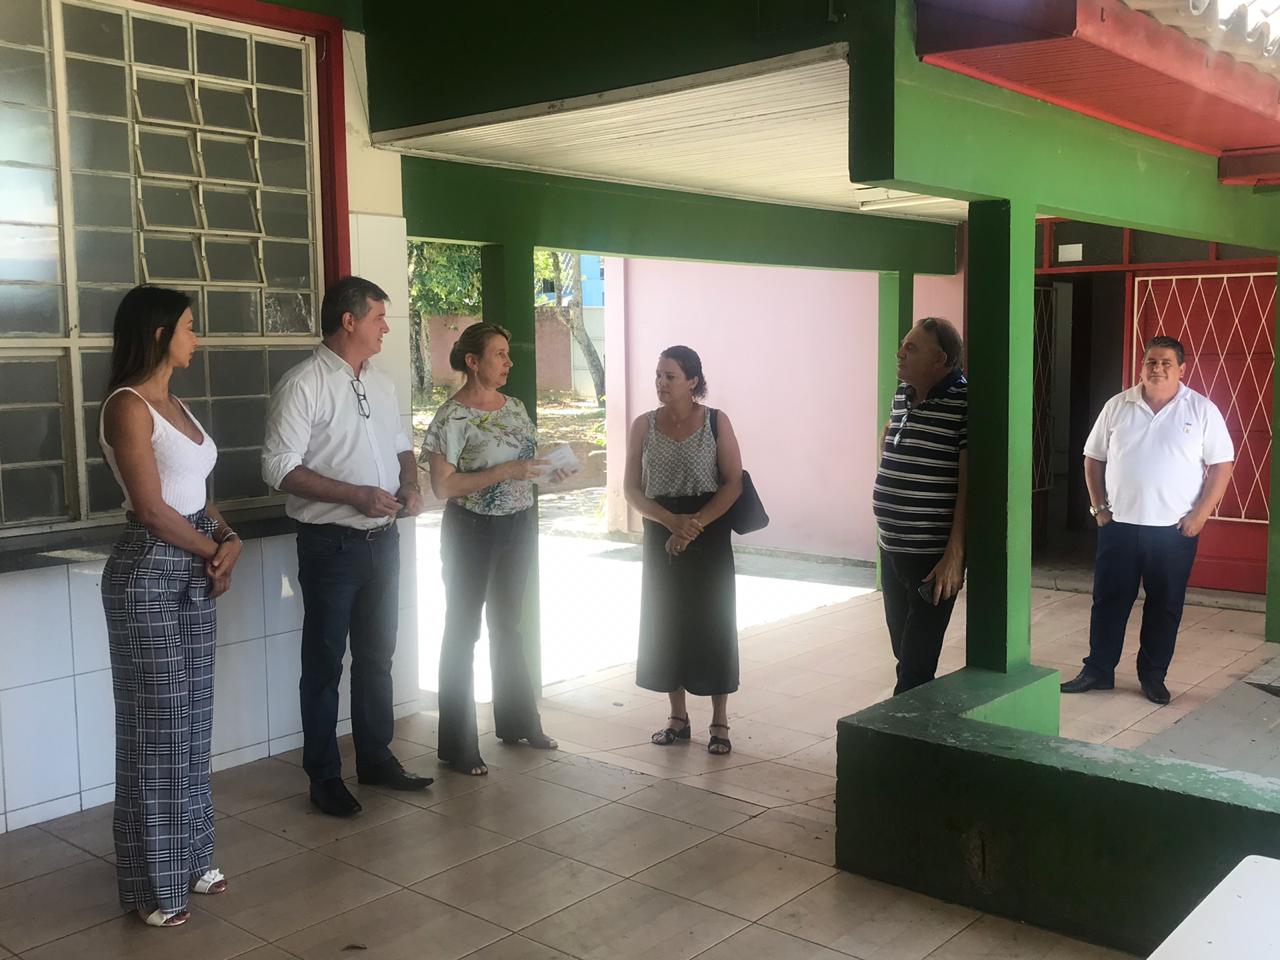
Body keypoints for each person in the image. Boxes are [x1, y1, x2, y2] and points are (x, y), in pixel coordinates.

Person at [262, 276, 432, 818]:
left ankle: (376, 758)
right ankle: (325, 775)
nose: (387, 327)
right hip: (330, 545)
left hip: (384, 542)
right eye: (379, 317)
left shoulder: (381, 383)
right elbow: (278, 468)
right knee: (325, 663)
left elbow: (402, 445)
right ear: (349, 321)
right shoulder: (304, 383)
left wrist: (411, 482)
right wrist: (354, 495)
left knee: (378, 656)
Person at [99, 285, 240, 927]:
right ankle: (154, 884)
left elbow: (196, 494)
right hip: (149, 571)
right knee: (156, 729)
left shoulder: (177, 404)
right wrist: (211, 551)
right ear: (159, 334)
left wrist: (228, 538)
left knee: (195, 717)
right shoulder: (126, 407)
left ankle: (194, 854)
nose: (196, 338)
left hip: (191, 561)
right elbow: (152, 509)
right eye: (188, 327)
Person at [1061, 336, 1234, 705]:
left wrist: (1200, 516)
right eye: (1151, 362)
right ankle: (1098, 670)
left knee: (1165, 605)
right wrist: (1098, 508)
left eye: (1166, 363)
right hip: (1119, 526)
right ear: (1142, 366)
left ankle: (1153, 677)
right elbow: (1092, 458)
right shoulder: (1118, 406)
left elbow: (1222, 466)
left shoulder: (1201, 410)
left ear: (1181, 369)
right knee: (1108, 600)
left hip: (1174, 531)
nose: (1157, 368)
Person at [421, 322, 559, 776]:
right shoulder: (451, 418)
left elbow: (527, 465)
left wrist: (549, 472)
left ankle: (519, 723)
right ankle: (458, 745)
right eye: (499, 354)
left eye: (507, 354)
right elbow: (442, 486)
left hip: (517, 526)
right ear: (472, 361)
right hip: (471, 531)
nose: (508, 363)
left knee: (509, 625)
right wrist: (506, 472)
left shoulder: (515, 408)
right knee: (463, 631)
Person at [623, 346, 743, 754]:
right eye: (658, 375)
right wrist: (671, 523)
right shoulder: (643, 425)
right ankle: (677, 716)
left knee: (712, 620)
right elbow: (631, 489)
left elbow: (732, 484)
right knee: (667, 619)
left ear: (693, 381)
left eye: (670, 376)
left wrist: (693, 526)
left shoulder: (715, 421)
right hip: (661, 528)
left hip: (708, 528)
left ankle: (720, 721)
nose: (661, 383)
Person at [872, 317, 968, 696]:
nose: (900, 353)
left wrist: (954, 555)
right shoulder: (904, 393)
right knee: (904, 652)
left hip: (931, 561)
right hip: (892, 549)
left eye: (911, 348)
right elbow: (887, 439)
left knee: (915, 667)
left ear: (939, 359)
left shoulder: (964, 400)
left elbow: (968, 483)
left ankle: (902, 745)